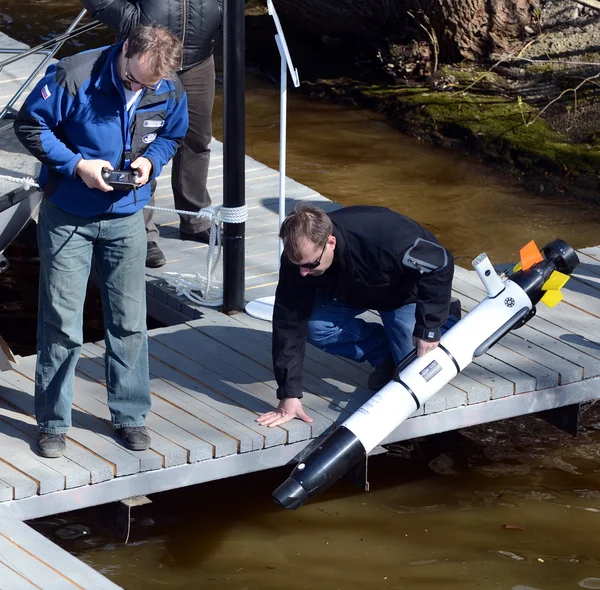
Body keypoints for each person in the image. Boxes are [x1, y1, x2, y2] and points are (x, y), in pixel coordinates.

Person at [14, 25, 189, 458]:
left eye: (149, 85)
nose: (139, 88)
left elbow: (173, 134)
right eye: (134, 80)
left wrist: (152, 161)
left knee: (129, 321)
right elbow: (29, 125)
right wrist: (76, 165)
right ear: (126, 50)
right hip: (68, 217)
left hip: (127, 218)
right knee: (61, 322)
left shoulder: (166, 84)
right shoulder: (72, 75)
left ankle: (130, 416)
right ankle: (53, 423)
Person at [257, 203, 460, 428]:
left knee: (418, 369)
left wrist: (429, 326)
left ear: (330, 242)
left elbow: (440, 263)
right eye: (298, 266)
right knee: (315, 327)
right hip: (348, 293)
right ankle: (385, 355)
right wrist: (289, 394)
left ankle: (447, 318)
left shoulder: (386, 235)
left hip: (402, 294)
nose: (303, 273)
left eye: (310, 265)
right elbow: (288, 323)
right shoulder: (297, 262)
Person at [81, 0, 223, 268]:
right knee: (138, 143)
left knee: (197, 140)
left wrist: (219, 12)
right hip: (145, 55)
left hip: (197, 57)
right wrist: (130, 20)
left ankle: (194, 218)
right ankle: (143, 232)